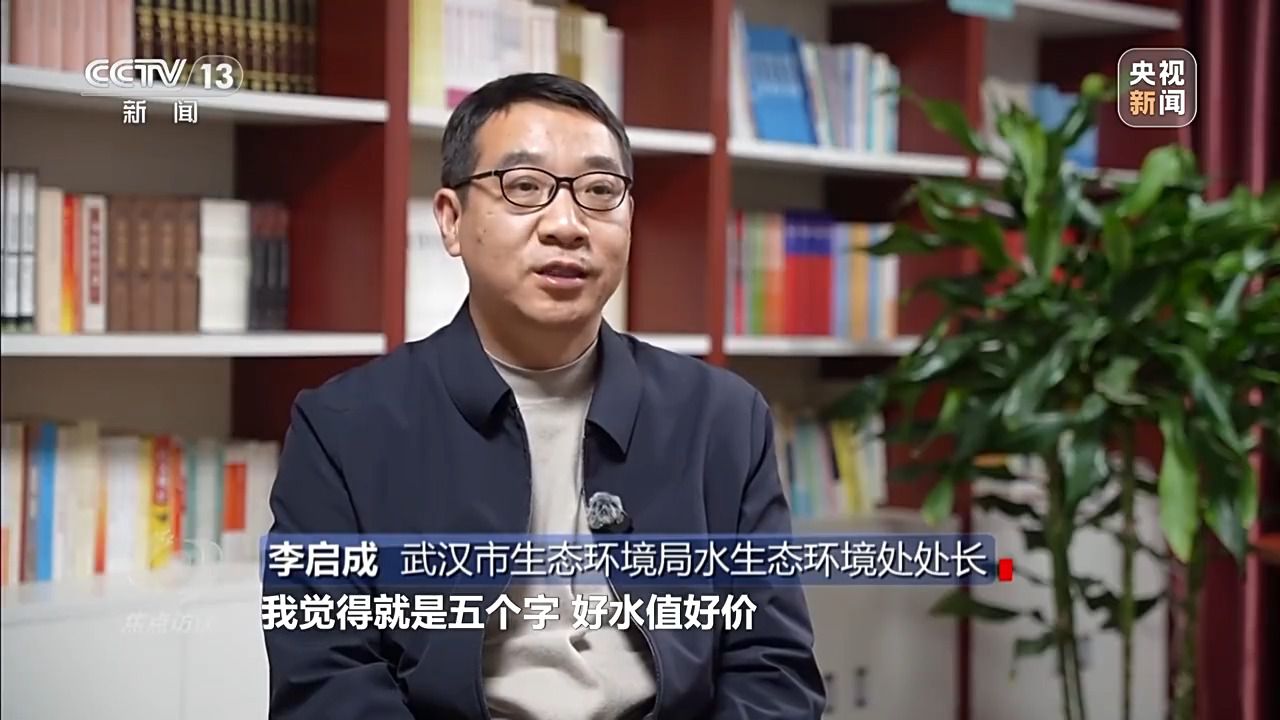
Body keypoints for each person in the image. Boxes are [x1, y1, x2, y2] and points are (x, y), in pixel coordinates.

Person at [263, 72, 825, 720]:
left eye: (600, 192)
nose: (566, 225)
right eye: (524, 187)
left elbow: (773, 671)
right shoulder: (343, 428)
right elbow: (328, 685)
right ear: (451, 220)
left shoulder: (723, 418)